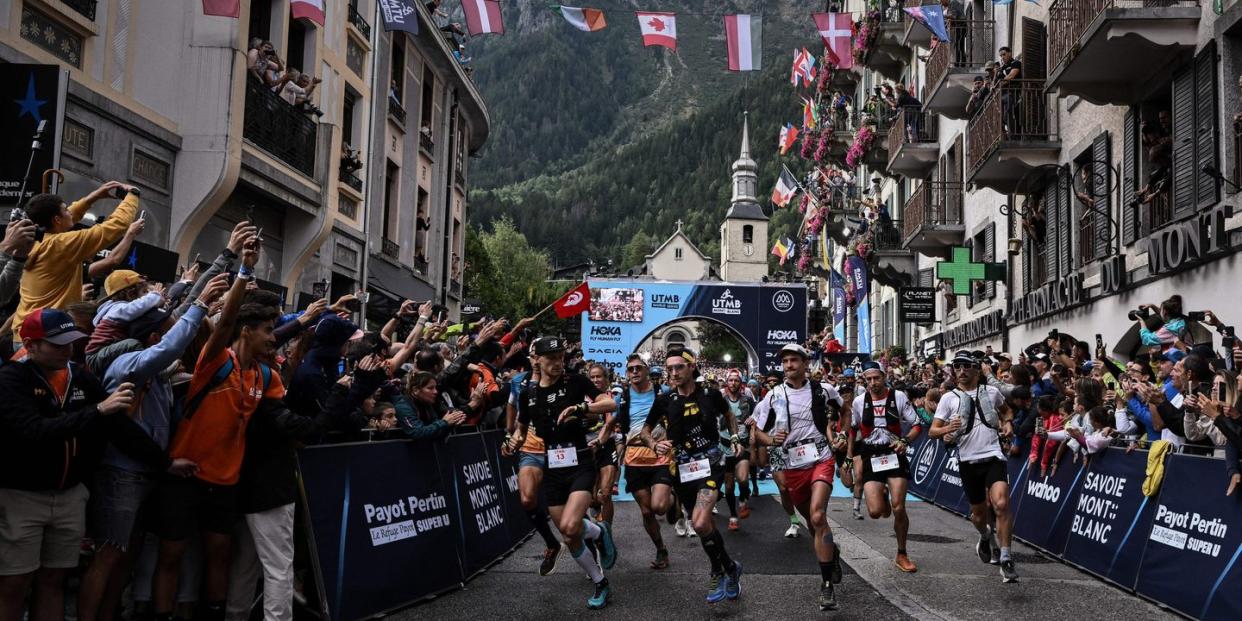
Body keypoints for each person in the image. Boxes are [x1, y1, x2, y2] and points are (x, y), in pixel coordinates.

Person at [0, 308, 176, 621]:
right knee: (14, 583)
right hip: (21, 497)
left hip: (69, 496)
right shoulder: (11, 379)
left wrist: (165, 462)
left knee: (54, 580)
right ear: (29, 344)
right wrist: (97, 411)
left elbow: (119, 428)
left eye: (71, 341)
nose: (68, 349)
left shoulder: (78, 377)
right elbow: (32, 431)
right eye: (57, 343)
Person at [78, 276, 229, 621]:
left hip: (146, 472)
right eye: (168, 330)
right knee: (108, 554)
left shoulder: (156, 371)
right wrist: (201, 305)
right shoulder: (127, 364)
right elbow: (170, 348)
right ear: (153, 337)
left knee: (125, 556)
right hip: (120, 474)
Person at [506, 337, 617, 609]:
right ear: (537, 360)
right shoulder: (528, 393)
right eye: (551, 358)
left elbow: (610, 404)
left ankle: (598, 532)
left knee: (569, 526)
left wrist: (583, 407)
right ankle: (600, 579)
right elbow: (521, 428)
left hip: (579, 461)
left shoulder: (576, 382)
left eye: (560, 357)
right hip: (552, 466)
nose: (557, 363)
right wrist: (513, 442)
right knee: (570, 535)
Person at [641, 347, 743, 604]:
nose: (673, 373)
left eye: (679, 367)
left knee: (699, 522)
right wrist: (655, 445)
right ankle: (730, 567)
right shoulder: (664, 400)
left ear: (692, 367)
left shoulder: (710, 394)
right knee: (703, 526)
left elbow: (729, 414)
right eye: (670, 368)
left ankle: (717, 571)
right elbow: (645, 430)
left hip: (710, 464)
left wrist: (734, 436)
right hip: (681, 470)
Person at [751, 344, 845, 611]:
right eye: (785, 361)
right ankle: (832, 552)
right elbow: (756, 431)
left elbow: (845, 411)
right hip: (791, 462)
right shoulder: (773, 395)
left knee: (817, 516)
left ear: (806, 363)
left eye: (794, 360)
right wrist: (770, 439)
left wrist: (842, 434)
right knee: (813, 524)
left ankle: (826, 586)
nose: (789, 365)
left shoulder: (824, 389)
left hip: (821, 458)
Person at [931, 351, 1019, 583]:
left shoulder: (991, 392)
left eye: (966, 366)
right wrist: (948, 429)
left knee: (1001, 503)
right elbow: (933, 430)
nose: (961, 370)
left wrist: (1008, 423)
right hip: (968, 461)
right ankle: (986, 536)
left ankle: (1007, 558)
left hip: (993, 456)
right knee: (979, 515)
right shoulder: (949, 398)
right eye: (957, 366)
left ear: (976, 369)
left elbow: (1006, 410)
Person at [10, 182, 141, 337]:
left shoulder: (36, 242)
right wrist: (133, 195)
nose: (70, 212)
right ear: (57, 219)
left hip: (25, 331)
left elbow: (67, 216)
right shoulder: (59, 244)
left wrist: (95, 196)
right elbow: (116, 226)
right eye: (65, 209)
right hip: (45, 336)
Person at [849, 361, 922, 573]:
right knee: (875, 512)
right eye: (868, 379)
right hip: (871, 457)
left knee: (899, 507)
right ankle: (883, 496)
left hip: (894, 454)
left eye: (876, 378)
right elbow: (853, 430)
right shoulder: (859, 401)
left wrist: (905, 441)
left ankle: (902, 553)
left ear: (883, 376)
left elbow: (917, 424)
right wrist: (848, 456)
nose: (873, 383)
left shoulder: (898, 397)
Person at [614, 354, 674, 569]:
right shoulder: (622, 397)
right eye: (631, 369)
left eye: (639, 368)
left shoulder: (663, 392)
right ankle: (661, 549)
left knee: (659, 508)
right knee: (647, 511)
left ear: (648, 370)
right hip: (634, 458)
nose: (635, 372)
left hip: (660, 455)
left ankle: (672, 498)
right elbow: (613, 422)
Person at [719, 369, 754, 531]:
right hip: (724, 446)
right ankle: (733, 516)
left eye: (736, 380)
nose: (733, 383)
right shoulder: (720, 399)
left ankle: (744, 498)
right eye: (731, 380)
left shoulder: (748, 400)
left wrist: (752, 426)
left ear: (741, 383)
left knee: (743, 479)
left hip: (743, 444)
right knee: (729, 488)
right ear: (727, 382)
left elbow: (756, 418)